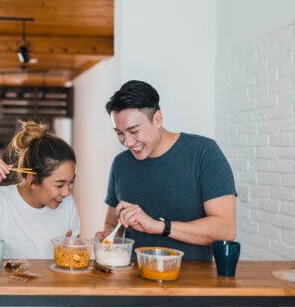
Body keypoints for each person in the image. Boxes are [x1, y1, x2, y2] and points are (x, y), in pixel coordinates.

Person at [96, 80, 237, 260]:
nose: (128, 142)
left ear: (158, 119)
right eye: (119, 133)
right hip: (133, 282)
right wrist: (108, 236)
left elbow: (225, 230)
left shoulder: (203, 152)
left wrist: (159, 226)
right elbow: (112, 223)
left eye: (134, 131)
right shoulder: (121, 164)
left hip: (192, 283)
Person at [0, 120, 80, 261]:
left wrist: (73, 250)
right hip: (9, 283)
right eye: (59, 185)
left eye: (71, 182)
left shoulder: (67, 204)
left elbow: (73, 258)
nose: (66, 193)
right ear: (33, 180)